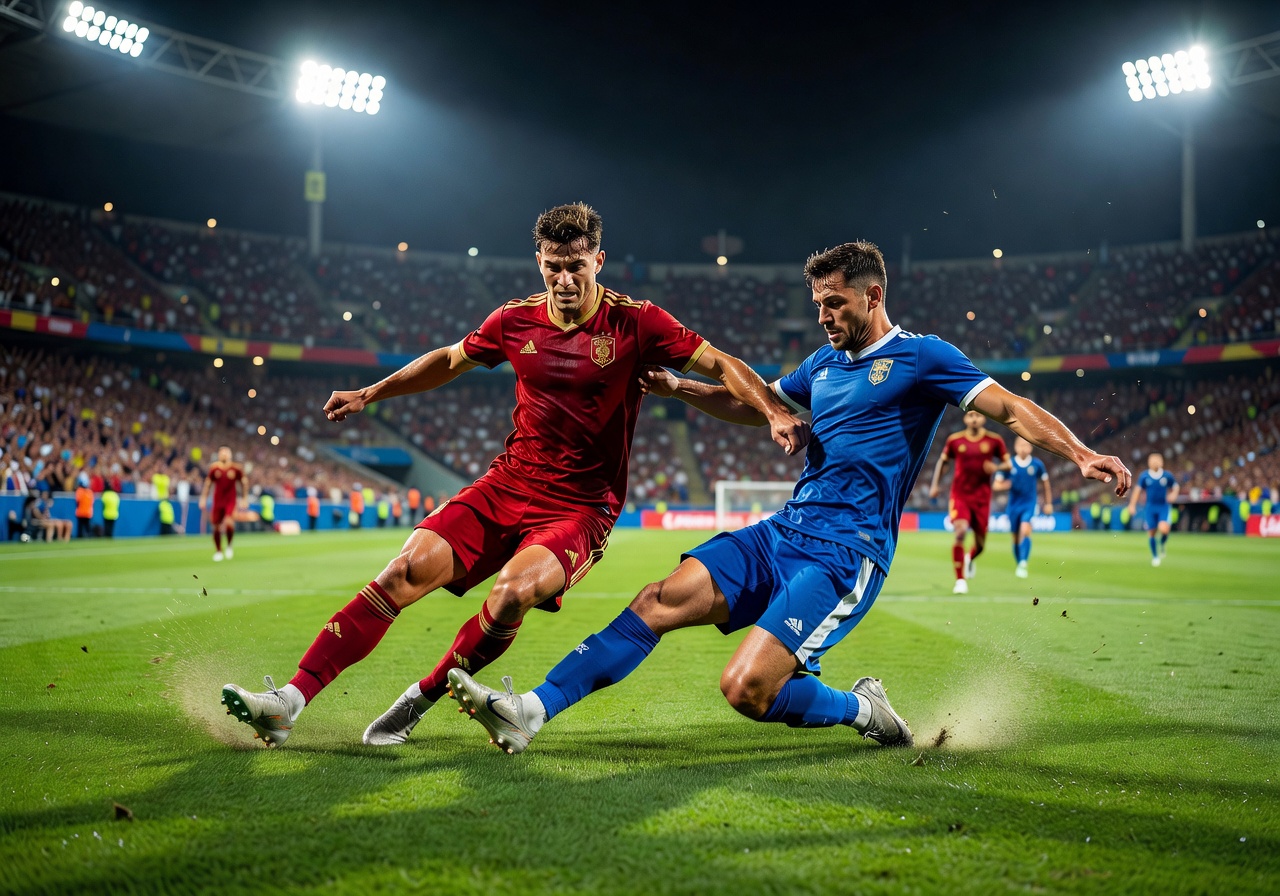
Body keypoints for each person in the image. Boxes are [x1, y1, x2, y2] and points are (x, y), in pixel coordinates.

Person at [445, 241, 1131, 756]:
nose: (824, 316)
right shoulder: (824, 364)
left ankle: (866, 712)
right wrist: (683, 389)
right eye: (818, 305)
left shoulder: (924, 357)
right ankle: (530, 711)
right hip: (783, 531)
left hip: (846, 552)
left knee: (746, 690)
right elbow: (761, 404)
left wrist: (1081, 453)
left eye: (835, 303)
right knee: (656, 600)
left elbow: (1008, 407)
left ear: (872, 293)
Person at [219, 202, 806, 747]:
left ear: (598, 261)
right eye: (554, 267)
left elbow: (723, 363)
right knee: (402, 571)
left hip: (580, 508)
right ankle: (289, 701)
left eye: (577, 266)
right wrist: (372, 392)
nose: (565, 280)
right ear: (540, 263)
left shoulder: (637, 322)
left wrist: (775, 411)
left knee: (511, 596)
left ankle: (419, 699)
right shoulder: (514, 320)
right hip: (506, 485)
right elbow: (450, 360)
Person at [928, 409, 1009, 593]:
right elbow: (943, 461)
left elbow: (1008, 464)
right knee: (960, 532)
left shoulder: (994, 440)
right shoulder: (955, 440)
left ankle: (969, 558)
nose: (974, 418)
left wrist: (995, 467)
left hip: (982, 499)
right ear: (965, 418)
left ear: (984, 418)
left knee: (980, 545)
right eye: (971, 415)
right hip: (960, 496)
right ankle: (960, 580)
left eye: (978, 415)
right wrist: (935, 485)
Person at [992, 437, 1051, 578]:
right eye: (1021, 445)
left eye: (1026, 445)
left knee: (1025, 529)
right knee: (1015, 538)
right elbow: (996, 485)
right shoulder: (1008, 464)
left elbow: (1045, 483)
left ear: (1031, 448)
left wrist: (1048, 503)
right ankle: (1019, 562)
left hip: (1029, 503)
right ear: (1015, 447)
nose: (1024, 448)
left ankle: (1023, 563)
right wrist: (1006, 485)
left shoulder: (1037, 465)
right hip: (1013, 505)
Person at [1127, 452, 1178, 566]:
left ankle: (1162, 543)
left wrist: (1174, 494)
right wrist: (1132, 505)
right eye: (1152, 460)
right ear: (1149, 462)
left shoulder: (1167, 476)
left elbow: (1175, 486)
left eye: (1157, 459)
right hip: (1150, 507)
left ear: (1162, 462)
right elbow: (1137, 491)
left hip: (1163, 506)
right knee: (1152, 532)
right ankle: (1155, 557)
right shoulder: (1145, 476)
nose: (1155, 462)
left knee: (1164, 529)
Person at [200, 446, 247, 561]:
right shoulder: (214, 468)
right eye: (222, 453)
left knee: (229, 522)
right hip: (217, 500)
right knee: (216, 526)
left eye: (226, 453)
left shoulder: (236, 468)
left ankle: (229, 546)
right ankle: (218, 551)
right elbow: (208, 483)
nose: (224, 455)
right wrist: (203, 498)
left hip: (230, 500)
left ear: (230, 455)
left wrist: (244, 498)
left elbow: (244, 482)